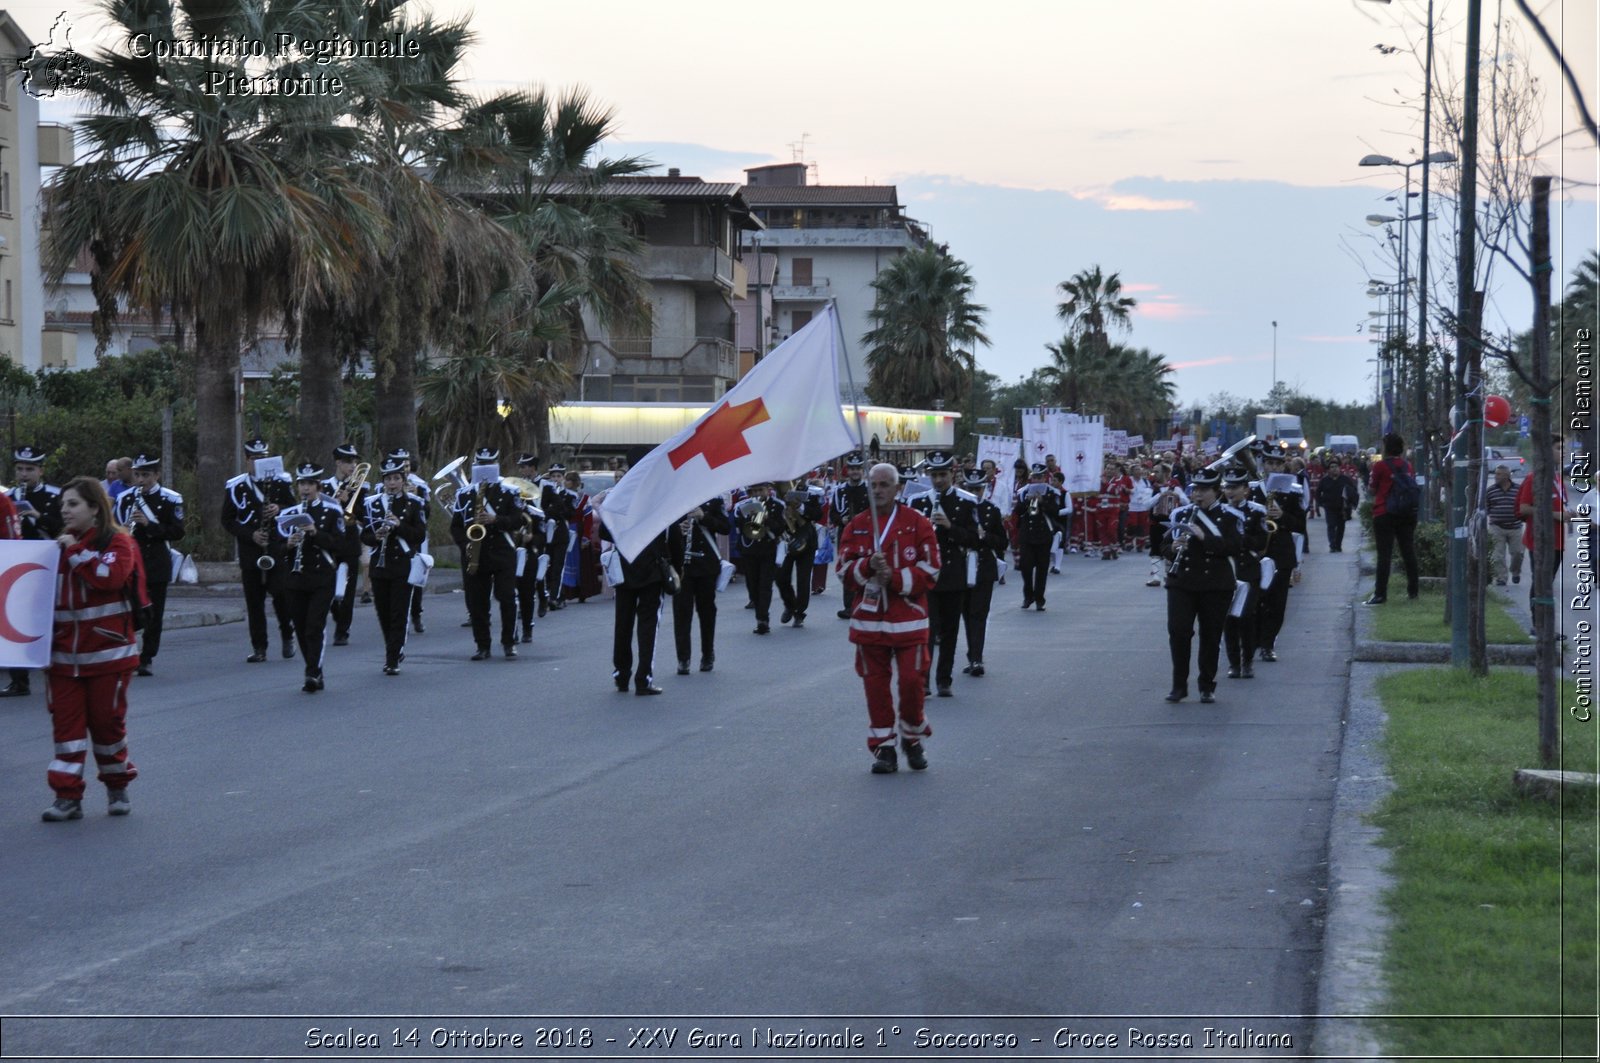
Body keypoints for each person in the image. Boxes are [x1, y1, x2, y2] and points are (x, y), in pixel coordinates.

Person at [41, 476, 144, 821]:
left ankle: (117, 785)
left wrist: (74, 551)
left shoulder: (118, 543)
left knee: (107, 726)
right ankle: (67, 796)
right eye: (63, 505)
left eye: (73, 504)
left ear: (95, 509)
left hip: (108, 657)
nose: (65, 511)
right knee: (66, 732)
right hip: (62, 660)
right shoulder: (55, 549)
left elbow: (108, 578)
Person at [838, 461, 940, 774]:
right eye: (874, 485)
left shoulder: (917, 522)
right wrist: (867, 565)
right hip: (869, 624)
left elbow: (931, 570)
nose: (878, 490)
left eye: (885, 485)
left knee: (912, 683)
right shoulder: (856, 525)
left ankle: (912, 736)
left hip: (909, 622)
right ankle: (883, 747)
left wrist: (894, 579)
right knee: (875, 688)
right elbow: (843, 570)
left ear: (898, 489)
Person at [1159, 468, 1243, 704]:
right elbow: (1162, 547)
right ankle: (1179, 685)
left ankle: (1207, 685)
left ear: (1216, 492)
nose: (1198, 494)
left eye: (1204, 490)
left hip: (1215, 584)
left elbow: (1235, 548)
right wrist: (1173, 548)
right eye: (1195, 489)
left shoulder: (1230, 517)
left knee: (1211, 636)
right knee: (1178, 632)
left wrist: (1204, 537)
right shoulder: (1181, 514)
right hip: (1182, 582)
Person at [276, 463, 356, 692]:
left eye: (310, 484)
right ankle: (315, 668)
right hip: (295, 577)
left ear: (318, 486)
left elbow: (340, 544)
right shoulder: (288, 514)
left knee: (314, 625)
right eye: (302, 483)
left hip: (322, 576)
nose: (305, 489)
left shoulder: (332, 511)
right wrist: (288, 545)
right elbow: (276, 546)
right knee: (300, 626)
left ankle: (311, 672)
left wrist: (314, 532)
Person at [910, 451, 979, 697]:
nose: (938, 480)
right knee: (926, 630)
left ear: (952, 473)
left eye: (943, 475)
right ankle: (924, 680)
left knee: (950, 630)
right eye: (934, 475)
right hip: (926, 575)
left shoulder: (967, 500)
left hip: (953, 573)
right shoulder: (917, 502)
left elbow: (975, 539)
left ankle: (944, 679)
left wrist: (950, 527)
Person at [223, 438, 297, 663]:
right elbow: (227, 520)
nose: (258, 462)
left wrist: (279, 508)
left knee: (280, 594)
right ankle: (259, 647)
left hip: (275, 547)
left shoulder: (280, 482)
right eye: (254, 459)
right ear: (247, 460)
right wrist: (250, 535)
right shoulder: (236, 486)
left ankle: (287, 632)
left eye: (263, 458)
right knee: (254, 601)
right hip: (251, 549)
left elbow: (295, 509)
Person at [451, 446, 527, 659]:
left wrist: (496, 520)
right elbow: (455, 526)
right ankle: (482, 645)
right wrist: (467, 544)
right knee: (477, 602)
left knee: (507, 598)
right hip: (475, 552)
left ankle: (509, 642)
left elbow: (518, 520)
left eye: (489, 464)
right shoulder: (464, 494)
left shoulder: (509, 490)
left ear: (496, 464)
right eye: (481, 464)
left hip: (502, 551)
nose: (485, 469)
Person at [112, 453, 185, 677]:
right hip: (131, 561)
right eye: (137, 475)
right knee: (129, 609)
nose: (141, 479)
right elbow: (115, 527)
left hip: (156, 562)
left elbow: (177, 532)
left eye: (146, 475)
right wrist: (124, 528)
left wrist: (149, 524)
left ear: (156, 475)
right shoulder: (125, 497)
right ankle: (129, 652)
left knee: (154, 613)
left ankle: (147, 657)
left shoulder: (171, 498)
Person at [3, 445, 64, 698]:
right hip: (16, 564)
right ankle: (19, 679)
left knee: (48, 618)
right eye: (20, 469)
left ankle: (55, 666)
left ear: (40, 470)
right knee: (14, 618)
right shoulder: (9, 496)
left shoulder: (55, 495)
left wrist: (37, 516)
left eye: (29, 469)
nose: (24, 474)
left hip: (46, 565)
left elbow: (61, 527)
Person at [362, 457, 427, 675]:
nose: (392, 483)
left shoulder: (414, 503)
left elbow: (419, 535)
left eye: (396, 478)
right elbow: (365, 535)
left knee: (399, 612)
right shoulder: (371, 503)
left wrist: (399, 527)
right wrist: (376, 536)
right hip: (379, 565)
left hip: (402, 565)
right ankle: (394, 646)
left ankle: (392, 659)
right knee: (383, 612)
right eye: (388, 479)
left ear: (403, 479)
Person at [600, 524, 669, 695]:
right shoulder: (658, 500)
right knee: (648, 627)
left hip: (624, 567)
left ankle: (621, 675)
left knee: (623, 624)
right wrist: (676, 565)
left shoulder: (621, 499)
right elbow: (671, 535)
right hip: (652, 570)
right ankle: (643, 678)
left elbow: (604, 532)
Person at [1518, 435, 1577, 616]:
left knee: (1548, 583)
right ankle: (1538, 626)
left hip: (1558, 541)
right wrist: (1555, 515)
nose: (1563, 452)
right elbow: (1524, 508)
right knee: (1541, 582)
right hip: (1540, 540)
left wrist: (1570, 513)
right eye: (1558, 448)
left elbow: (1561, 505)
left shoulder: (1558, 480)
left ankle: (1545, 626)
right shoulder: (1534, 478)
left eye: (1564, 448)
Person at [670, 498, 730, 674]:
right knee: (681, 613)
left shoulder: (713, 500)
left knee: (707, 613)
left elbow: (726, 528)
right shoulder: (674, 499)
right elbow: (661, 529)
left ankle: (707, 654)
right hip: (681, 566)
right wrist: (677, 530)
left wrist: (704, 516)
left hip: (706, 566)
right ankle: (683, 658)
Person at [1221, 466, 1269, 679]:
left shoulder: (1257, 510)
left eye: (1235, 487)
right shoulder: (1219, 512)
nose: (1230, 492)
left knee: (1247, 616)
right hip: (1227, 570)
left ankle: (1247, 660)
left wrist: (1242, 536)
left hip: (1249, 569)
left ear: (1245, 490)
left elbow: (1261, 542)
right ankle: (1233, 663)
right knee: (1229, 618)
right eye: (1227, 487)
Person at [961, 466, 1009, 678]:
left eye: (978, 489)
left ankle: (977, 658)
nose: (974, 492)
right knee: (965, 614)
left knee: (978, 614)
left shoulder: (991, 510)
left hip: (983, 566)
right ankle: (972, 654)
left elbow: (1002, 542)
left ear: (985, 488)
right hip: (961, 567)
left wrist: (985, 536)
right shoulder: (957, 509)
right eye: (971, 488)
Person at [323, 444, 370, 647]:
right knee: (330, 588)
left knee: (349, 589)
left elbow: (364, 515)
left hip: (350, 542)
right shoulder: (324, 486)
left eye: (354, 462)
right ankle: (337, 614)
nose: (352, 465)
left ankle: (342, 631)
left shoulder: (362, 487)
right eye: (348, 462)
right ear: (338, 463)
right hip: (329, 544)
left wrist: (349, 499)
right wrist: (335, 502)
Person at [1365, 432, 1419, 605]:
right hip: (1406, 513)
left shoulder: (1380, 466)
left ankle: (1380, 594)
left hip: (1384, 513)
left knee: (1384, 555)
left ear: (1386, 447)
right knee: (1408, 552)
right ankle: (1413, 591)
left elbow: (1372, 490)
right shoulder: (1407, 466)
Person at [734, 481, 783, 634]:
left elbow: (780, 528)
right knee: (752, 585)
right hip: (749, 550)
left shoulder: (777, 505)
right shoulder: (741, 507)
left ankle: (763, 619)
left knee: (765, 585)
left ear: (768, 490)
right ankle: (759, 612)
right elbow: (739, 527)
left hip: (768, 550)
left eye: (760, 490)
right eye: (753, 491)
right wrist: (749, 516)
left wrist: (766, 518)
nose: (757, 494)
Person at [1012, 463, 1062, 610]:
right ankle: (1028, 596)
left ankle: (1040, 598)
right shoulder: (1023, 491)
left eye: (1040, 476)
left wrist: (1043, 502)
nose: (1037, 479)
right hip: (1027, 534)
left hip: (1043, 535)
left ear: (1045, 477)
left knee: (1041, 569)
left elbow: (1056, 512)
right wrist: (1028, 500)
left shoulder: (1052, 492)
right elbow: (1017, 511)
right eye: (1035, 477)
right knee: (1025, 567)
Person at [775, 486, 822, 628]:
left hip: (806, 540)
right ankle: (790, 605)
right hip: (785, 539)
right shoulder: (774, 494)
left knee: (803, 579)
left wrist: (800, 506)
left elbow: (817, 514)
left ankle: (799, 612)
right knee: (781, 577)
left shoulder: (811, 491)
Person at [830, 453, 869, 618]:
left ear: (862, 470)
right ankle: (849, 606)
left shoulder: (869, 489)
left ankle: (866, 602)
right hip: (846, 533)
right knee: (847, 567)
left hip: (866, 534)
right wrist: (841, 519)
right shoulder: (840, 490)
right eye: (852, 469)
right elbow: (833, 515)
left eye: (858, 469)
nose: (855, 472)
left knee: (866, 567)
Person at [1483, 464, 1525, 586]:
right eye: (1496, 474)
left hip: (1515, 527)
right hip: (1496, 527)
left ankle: (1515, 572)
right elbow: (1486, 508)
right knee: (1497, 555)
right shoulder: (1490, 491)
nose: (1496, 476)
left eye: (1499, 474)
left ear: (1507, 476)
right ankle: (1501, 577)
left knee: (1518, 553)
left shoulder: (1518, 489)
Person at [1316, 459, 1359, 552]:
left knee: (1340, 527)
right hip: (1329, 507)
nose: (1334, 469)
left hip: (1342, 508)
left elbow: (1353, 492)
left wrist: (1352, 504)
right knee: (1331, 525)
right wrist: (1320, 503)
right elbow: (1318, 492)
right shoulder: (1325, 480)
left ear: (1339, 468)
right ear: (1328, 470)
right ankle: (1332, 545)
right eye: (1332, 467)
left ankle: (1338, 545)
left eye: (1336, 467)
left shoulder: (1345, 479)